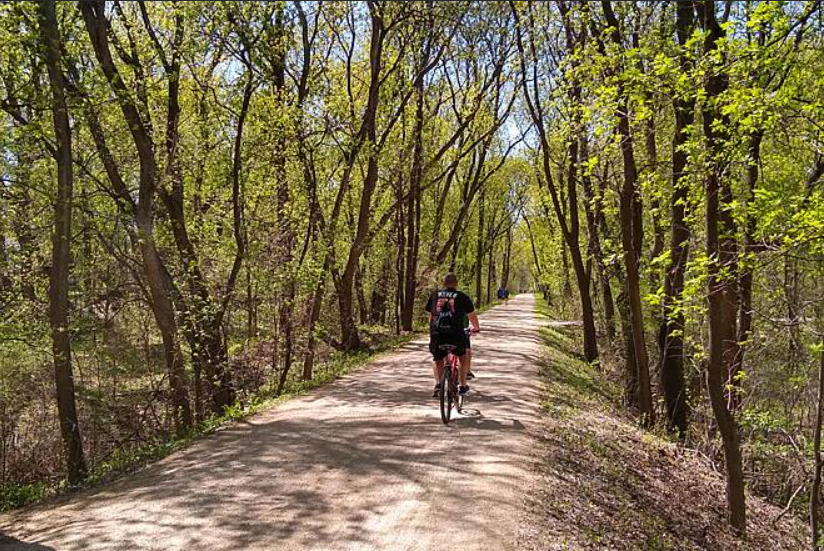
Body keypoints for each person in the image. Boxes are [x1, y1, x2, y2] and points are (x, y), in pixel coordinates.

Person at [425, 273, 480, 398]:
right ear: (456, 284)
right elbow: (472, 316)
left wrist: (432, 331)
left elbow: (431, 316)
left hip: (437, 334)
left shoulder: (435, 295)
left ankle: (438, 384)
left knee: (437, 357)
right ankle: (462, 385)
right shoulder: (462, 297)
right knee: (462, 355)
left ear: (443, 283)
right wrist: (476, 328)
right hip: (456, 334)